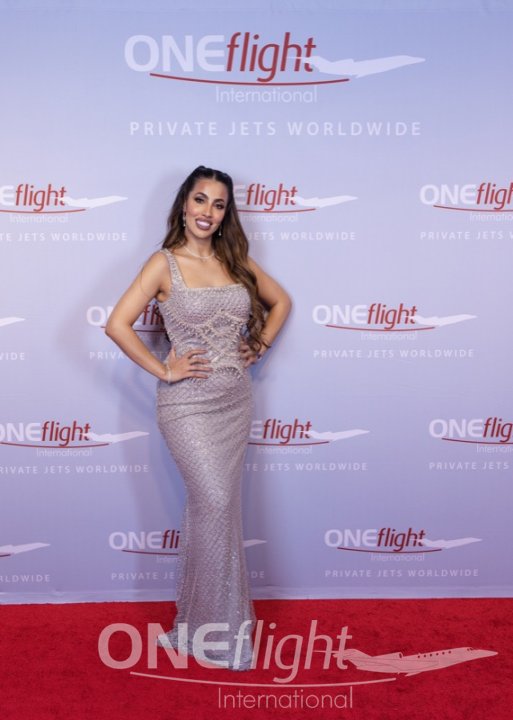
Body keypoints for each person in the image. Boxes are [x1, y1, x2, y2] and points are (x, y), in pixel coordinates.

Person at [105, 165, 291, 670]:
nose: (208, 211)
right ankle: (217, 635)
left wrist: (260, 343)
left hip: (235, 402)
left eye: (219, 204)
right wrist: (164, 370)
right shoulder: (163, 263)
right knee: (214, 502)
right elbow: (117, 324)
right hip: (187, 406)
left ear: (226, 214)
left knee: (217, 512)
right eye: (201, 200)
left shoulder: (236, 260)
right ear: (184, 205)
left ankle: (198, 629)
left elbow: (281, 302)